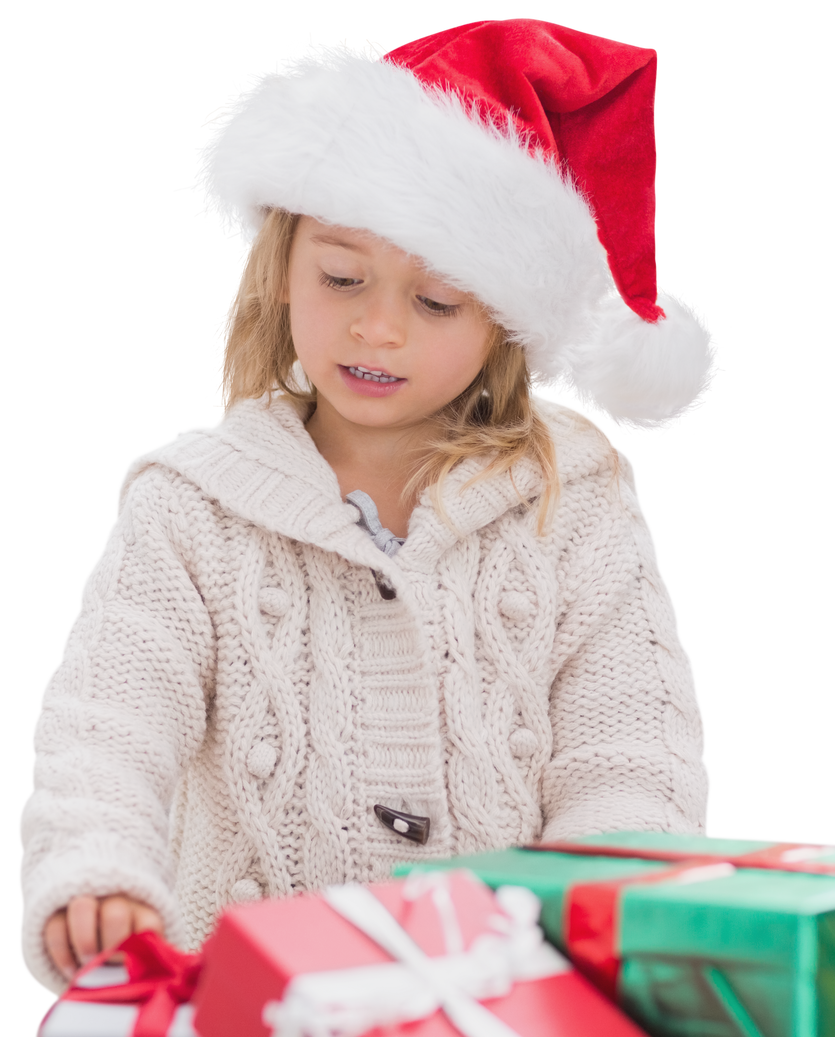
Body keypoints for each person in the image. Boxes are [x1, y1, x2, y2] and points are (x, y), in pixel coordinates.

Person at [17, 19, 724, 996]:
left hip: (504, 1003)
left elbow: (630, 752)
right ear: (283, 264)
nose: (377, 326)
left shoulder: (579, 492)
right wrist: (93, 873)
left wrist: (595, 924)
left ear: (504, 322)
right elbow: (107, 730)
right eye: (341, 275)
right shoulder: (190, 502)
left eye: (436, 301)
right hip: (251, 1006)